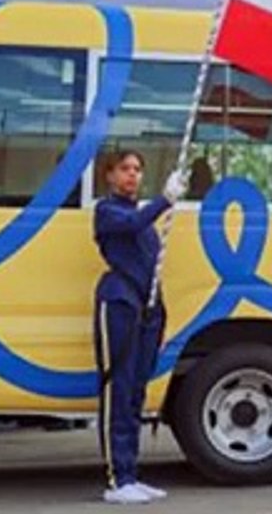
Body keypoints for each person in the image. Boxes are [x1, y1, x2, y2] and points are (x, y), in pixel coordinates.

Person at [93, 150, 187, 505]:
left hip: (144, 311)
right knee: (118, 388)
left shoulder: (141, 217)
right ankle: (117, 479)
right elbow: (129, 227)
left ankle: (131, 473)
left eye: (137, 169)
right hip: (118, 303)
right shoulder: (107, 211)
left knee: (135, 392)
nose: (132, 175)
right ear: (110, 175)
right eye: (124, 169)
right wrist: (164, 199)